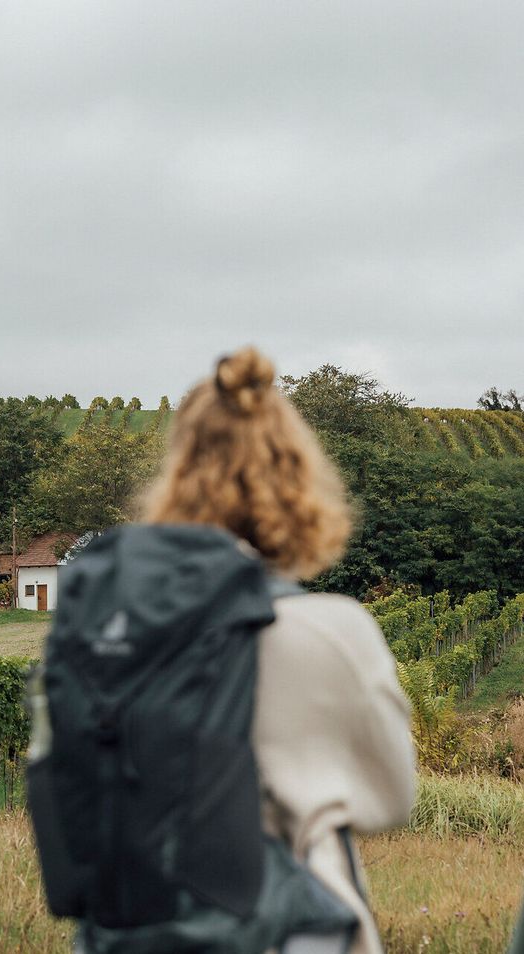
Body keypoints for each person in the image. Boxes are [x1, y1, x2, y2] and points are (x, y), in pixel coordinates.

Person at [136, 347, 417, 953]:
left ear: (177, 481)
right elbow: (396, 798)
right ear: (295, 476)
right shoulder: (335, 634)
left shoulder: (122, 636)